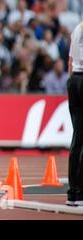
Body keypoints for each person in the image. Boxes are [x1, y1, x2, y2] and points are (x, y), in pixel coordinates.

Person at [66, 21, 83, 207]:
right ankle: (80, 191)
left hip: (75, 80)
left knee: (77, 138)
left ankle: (72, 193)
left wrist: (71, 86)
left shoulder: (78, 27)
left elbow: (70, 62)